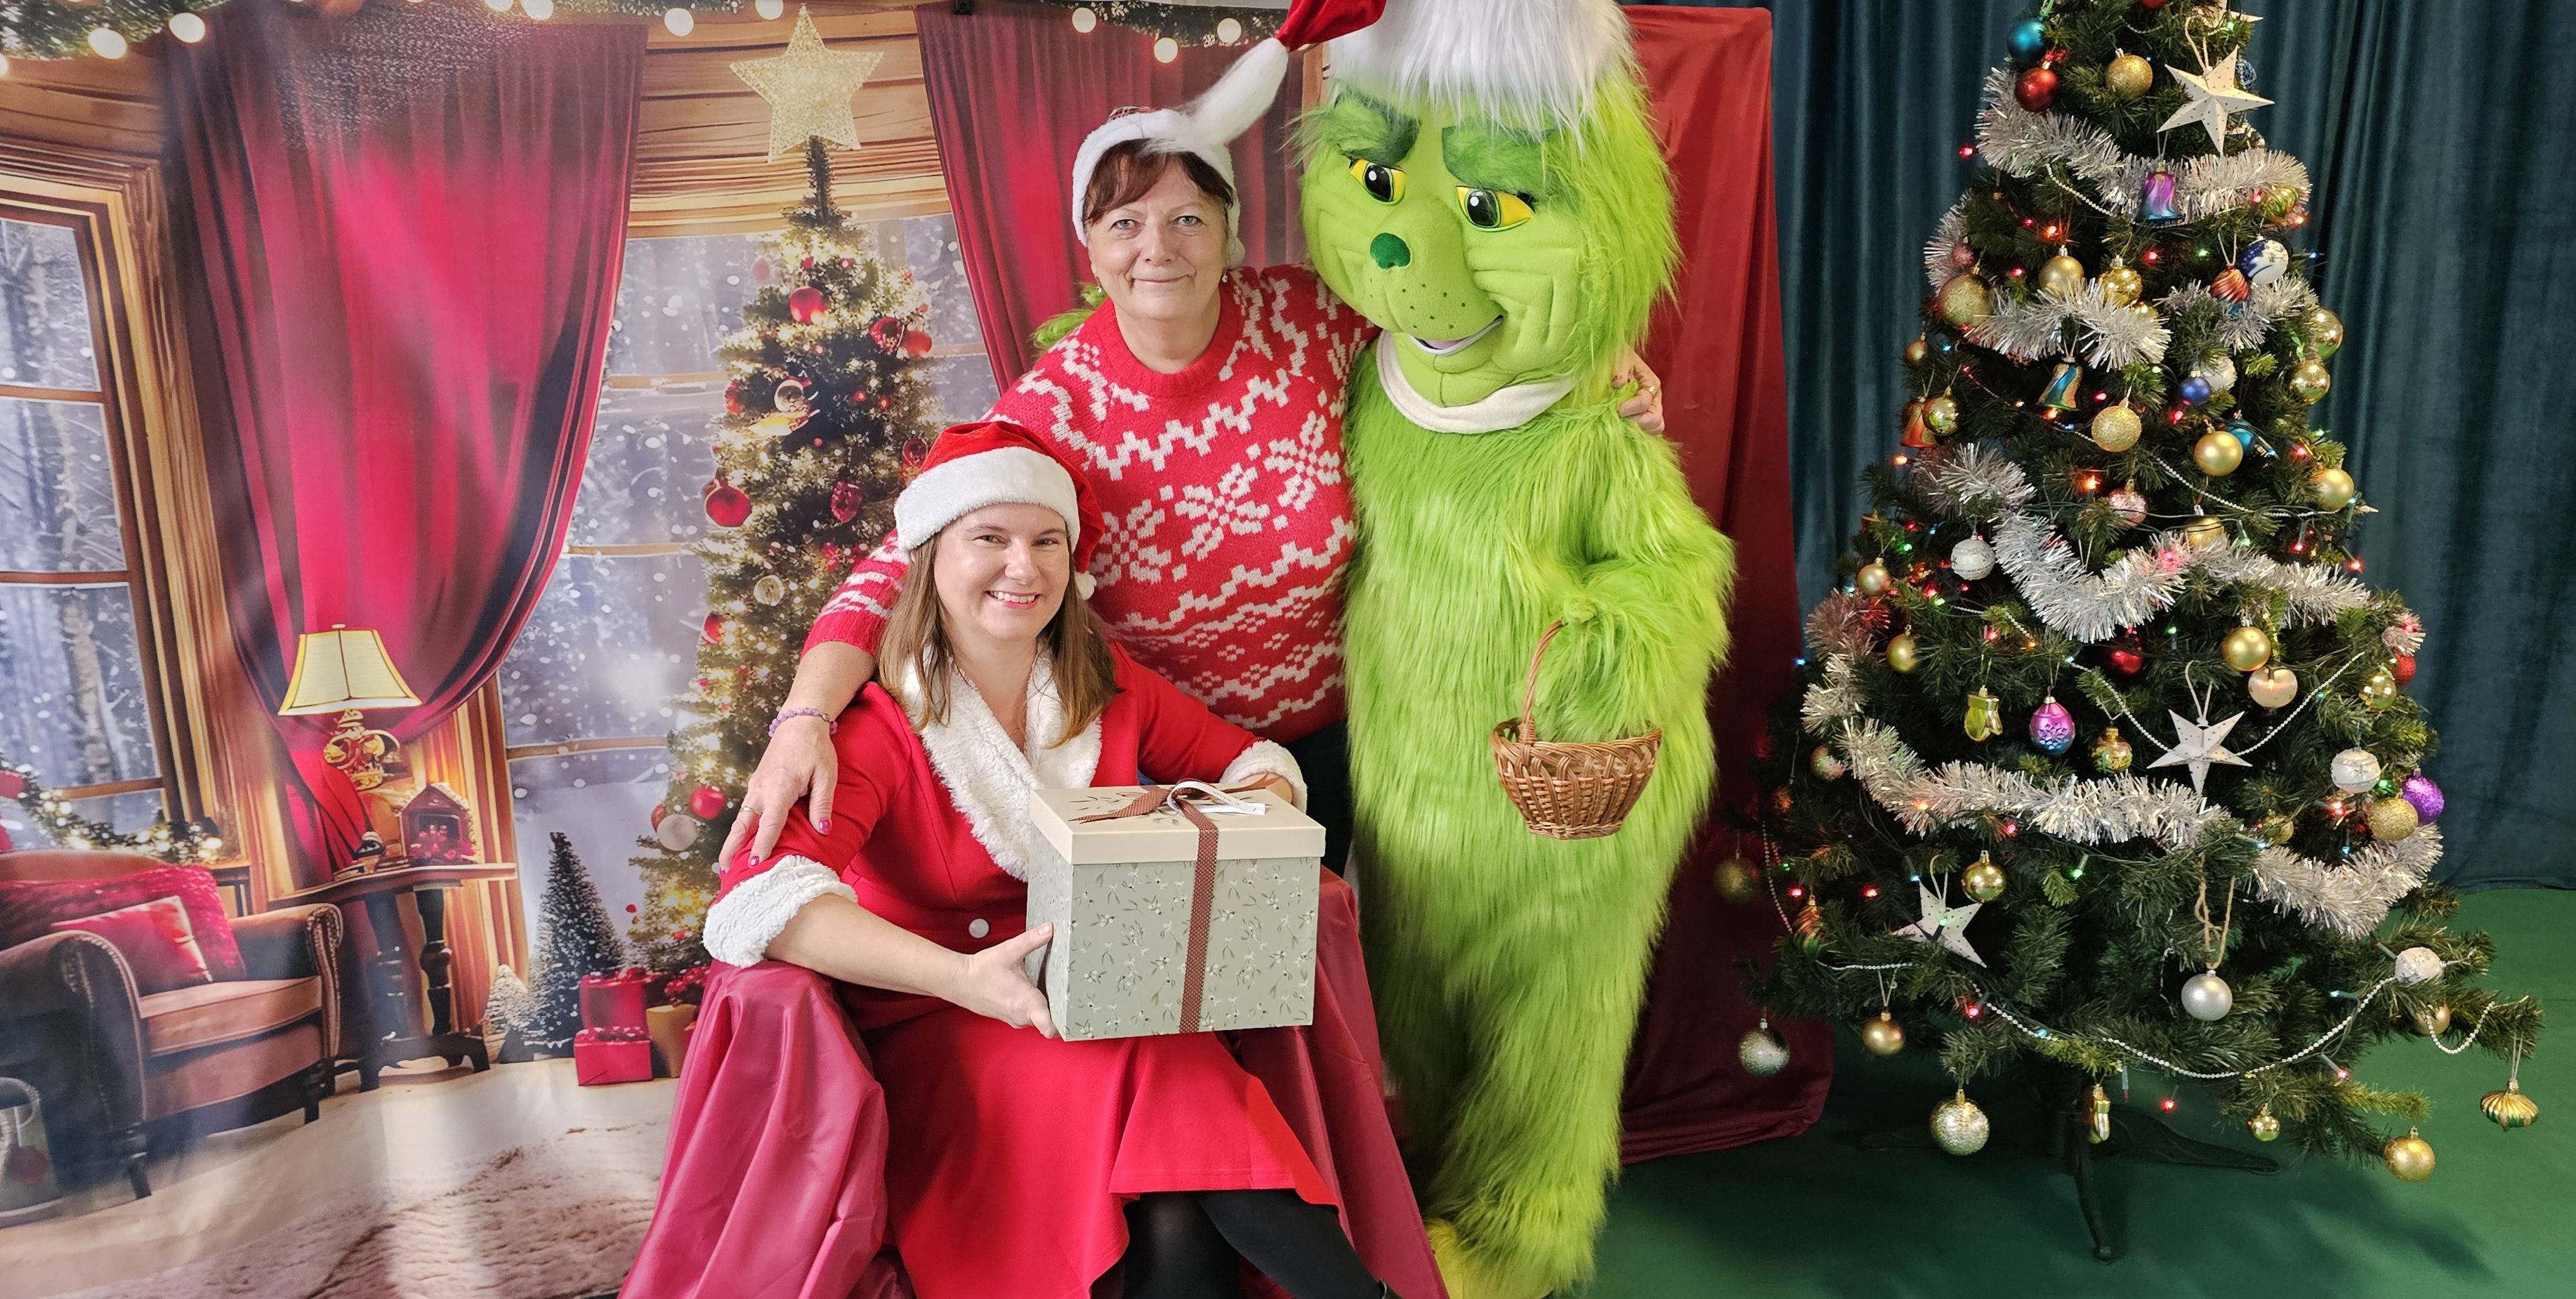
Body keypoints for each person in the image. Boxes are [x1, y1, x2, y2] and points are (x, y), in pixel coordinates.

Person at [722, 107, 1665, 875]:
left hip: (1342, 735)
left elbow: (1455, 338)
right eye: (1124, 223)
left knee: (1316, 971)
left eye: (1186, 218)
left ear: (1226, 233)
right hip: (1162, 761)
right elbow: (896, 570)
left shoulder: (1306, 317)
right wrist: (803, 719)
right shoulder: (1057, 406)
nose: (1157, 248)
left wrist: (1591, 363)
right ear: (1090, 246)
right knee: (1196, 994)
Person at [624, 422, 1441, 1299]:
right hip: (945, 1025)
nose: (1023, 566)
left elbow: (1255, 763)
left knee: (1170, 1191)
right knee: (1169, 1068)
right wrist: (962, 976)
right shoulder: (878, 726)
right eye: (990, 537)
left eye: (1046, 540)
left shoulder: (1105, 683)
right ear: (930, 557)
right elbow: (759, 900)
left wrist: (1206, 826)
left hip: (1099, 1005)